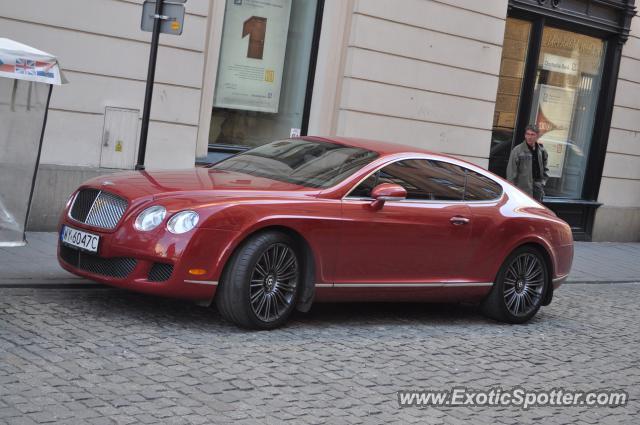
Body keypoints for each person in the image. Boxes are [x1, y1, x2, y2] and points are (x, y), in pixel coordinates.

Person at [506, 124, 549, 202]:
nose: (529, 137)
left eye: (532, 134)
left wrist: (543, 182)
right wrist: (512, 190)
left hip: (537, 188)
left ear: (537, 136)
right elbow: (511, 172)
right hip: (522, 190)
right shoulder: (517, 150)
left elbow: (545, 169)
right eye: (527, 134)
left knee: (535, 212)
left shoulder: (542, 151)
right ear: (525, 135)